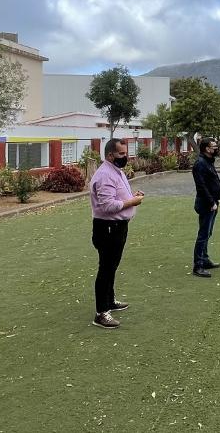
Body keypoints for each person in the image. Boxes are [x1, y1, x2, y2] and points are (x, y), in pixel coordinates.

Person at [89, 138, 144, 329]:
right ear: (110, 155)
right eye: (121, 154)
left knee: (111, 267)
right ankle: (101, 313)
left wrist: (132, 196)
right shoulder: (105, 175)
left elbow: (117, 197)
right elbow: (107, 206)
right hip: (107, 228)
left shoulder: (116, 171)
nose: (125, 157)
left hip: (117, 227)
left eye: (125, 153)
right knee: (105, 269)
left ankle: (110, 301)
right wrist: (133, 202)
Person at [191, 136, 220, 277]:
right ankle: (198, 266)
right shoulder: (200, 164)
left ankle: (204, 259)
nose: (216, 149)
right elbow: (201, 186)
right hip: (206, 204)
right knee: (203, 235)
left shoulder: (208, 162)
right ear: (206, 149)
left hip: (213, 202)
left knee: (208, 232)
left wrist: (216, 200)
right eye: (213, 146)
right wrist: (211, 202)